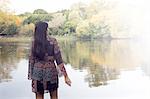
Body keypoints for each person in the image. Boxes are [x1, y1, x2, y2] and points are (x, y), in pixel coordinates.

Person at [28, 21, 71, 99]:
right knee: (54, 96)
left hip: (37, 73)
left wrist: (31, 76)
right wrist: (66, 76)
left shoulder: (34, 42)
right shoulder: (52, 41)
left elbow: (31, 61)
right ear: (46, 30)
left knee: (39, 96)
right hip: (51, 73)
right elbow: (59, 60)